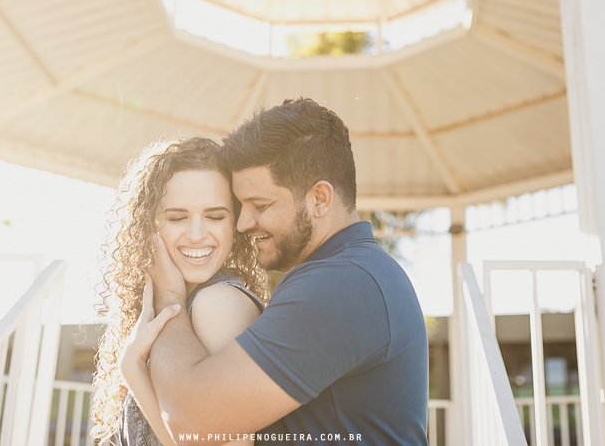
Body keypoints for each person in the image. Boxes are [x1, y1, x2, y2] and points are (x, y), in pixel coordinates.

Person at [147, 98, 429, 445]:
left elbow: (192, 420)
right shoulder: (354, 274)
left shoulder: (341, 285)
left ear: (319, 199)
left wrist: (169, 299)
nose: (243, 223)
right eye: (241, 206)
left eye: (260, 205)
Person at [91, 138, 268, 446]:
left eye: (215, 216)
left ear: (235, 224)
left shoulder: (218, 303)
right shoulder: (163, 307)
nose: (197, 234)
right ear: (147, 225)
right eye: (177, 217)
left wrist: (133, 369)